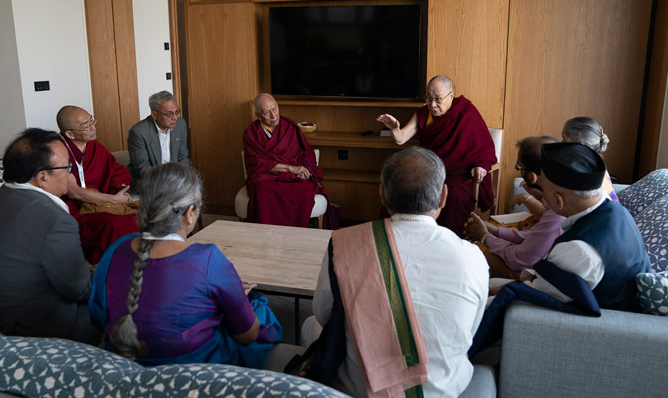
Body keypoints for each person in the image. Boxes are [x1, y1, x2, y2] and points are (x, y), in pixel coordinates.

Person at [304, 147, 489, 397]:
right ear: (444, 196)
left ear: (382, 194)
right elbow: (470, 330)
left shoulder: (344, 244)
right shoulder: (472, 257)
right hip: (443, 391)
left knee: (309, 326)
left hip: (355, 391)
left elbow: (324, 313)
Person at [89, 163, 281, 367]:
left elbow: (99, 315)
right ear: (190, 213)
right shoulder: (208, 259)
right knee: (260, 309)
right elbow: (247, 335)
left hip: (122, 361)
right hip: (190, 371)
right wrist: (237, 296)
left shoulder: (117, 248)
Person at [469, 142, 650, 356]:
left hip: (598, 333)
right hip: (589, 301)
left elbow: (531, 293)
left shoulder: (580, 250)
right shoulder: (616, 212)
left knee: (474, 297)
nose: (541, 197)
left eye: (543, 191)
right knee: (491, 283)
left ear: (558, 200)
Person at [0, 128, 98, 344]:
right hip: (23, 330)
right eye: (67, 167)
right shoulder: (55, 219)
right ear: (42, 177)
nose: (70, 174)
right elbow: (79, 290)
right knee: (116, 303)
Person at [377, 75, 496, 237]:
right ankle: (399, 237)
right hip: (429, 170)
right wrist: (394, 129)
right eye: (428, 98)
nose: (432, 104)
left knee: (454, 195)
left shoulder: (466, 112)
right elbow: (401, 139)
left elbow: (484, 147)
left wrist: (481, 165)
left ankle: (450, 239)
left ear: (451, 96)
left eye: (438, 99)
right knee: (401, 186)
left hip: (457, 174)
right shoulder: (424, 114)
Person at [464, 136, 564, 279]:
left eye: (519, 167)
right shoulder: (557, 195)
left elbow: (521, 259)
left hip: (541, 273)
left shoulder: (558, 210)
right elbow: (537, 238)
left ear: (531, 177)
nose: (519, 172)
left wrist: (485, 237)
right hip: (537, 259)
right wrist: (496, 231)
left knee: (480, 260)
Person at [57, 105, 138, 264]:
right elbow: (74, 192)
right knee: (116, 224)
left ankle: (143, 263)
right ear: (70, 134)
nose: (93, 127)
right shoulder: (57, 152)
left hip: (101, 203)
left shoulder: (93, 145)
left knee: (142, 215)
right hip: (76, 209)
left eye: (92, 120)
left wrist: (120, 190)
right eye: (86, 126)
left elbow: (115, 170)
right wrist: (113, 199)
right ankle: (114, 268)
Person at [242, 93, 327, 227]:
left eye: (275, 109)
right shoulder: (251, 134)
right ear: (257, 114)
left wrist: (305, 169)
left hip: (293, 176)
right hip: (267, 177)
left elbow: (307, 152)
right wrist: (290, 168)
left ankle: (295, 233)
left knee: (305, 188)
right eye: (267, 113)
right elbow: (257, 163)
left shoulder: (290, 127)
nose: (274, 115)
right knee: (262, 191)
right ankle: (266, 234)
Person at [127, 90, 190, 190]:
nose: (175, 118)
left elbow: (183, 157)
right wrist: (168, 182)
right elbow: (143, 169)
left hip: (173, 179)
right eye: (169, 114)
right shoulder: (138, 132)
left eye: (177, 112)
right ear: (154, 114)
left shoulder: (180, 125)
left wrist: (181, 178)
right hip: (148, 180)